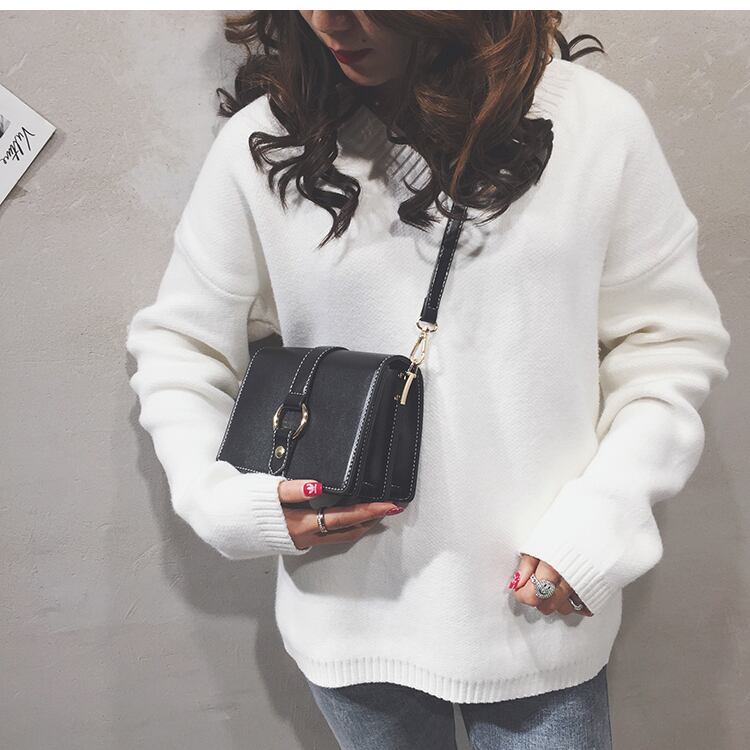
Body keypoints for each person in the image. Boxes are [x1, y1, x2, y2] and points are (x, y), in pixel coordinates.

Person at [125, 10, 731, 749]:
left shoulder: (594, 127)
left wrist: (607, 519)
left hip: (536, 614)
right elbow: (181, 346)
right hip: (349, 620)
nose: (329, 20)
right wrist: (220, 502)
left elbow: (667, 345)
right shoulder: (270, 145)